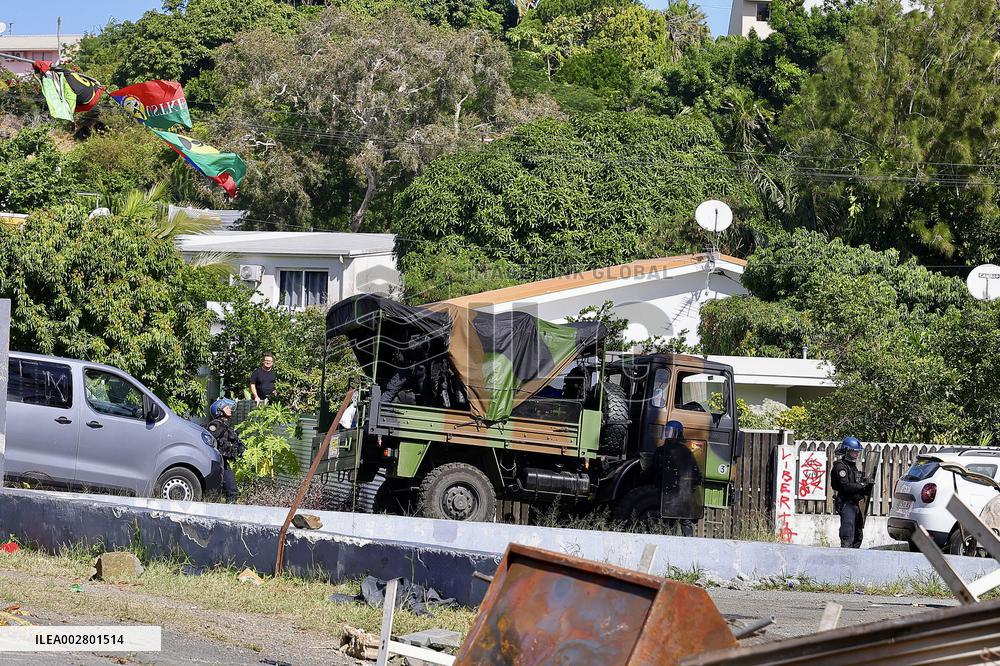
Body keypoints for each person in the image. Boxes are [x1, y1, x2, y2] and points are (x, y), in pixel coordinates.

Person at [831, 436, 873, 548]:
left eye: (857, 451)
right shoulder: (840, 466)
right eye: (854, 451)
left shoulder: (852, 466)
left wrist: (866, 484)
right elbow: (845, 486)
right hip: (846, 504)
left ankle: (854, 558)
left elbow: (856, 482)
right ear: (847, 450)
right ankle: (844, 559)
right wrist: (861, 486)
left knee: (858, 535)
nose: (857, 454)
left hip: (855, 504)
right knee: (847, 534)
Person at [207, 398, 245, 502]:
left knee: (231, 490)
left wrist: (239, 446)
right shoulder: (215, 424)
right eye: (227, 407)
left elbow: (233, 440)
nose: (230, 409)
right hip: (217, 460)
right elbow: (212, 438)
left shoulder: (226, 426)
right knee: (230, 489)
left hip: (223, 461)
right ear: (219, 410)